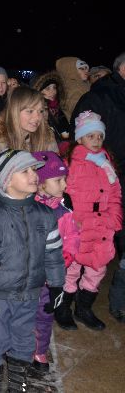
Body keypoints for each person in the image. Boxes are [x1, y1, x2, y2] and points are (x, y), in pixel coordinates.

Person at [0, 149, 65, 393]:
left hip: (30, 293)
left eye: (34, 169)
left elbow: (53, 254)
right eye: (25, 171)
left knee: (24, 338)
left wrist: (57, 285)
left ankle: (17, 377)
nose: (34, 175)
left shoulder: (45, 215)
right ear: (7, 179)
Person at [64, 111, 122, 330]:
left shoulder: (106, 163)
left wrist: (114, 219)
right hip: (80, 226)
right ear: (79, 139)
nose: (97, 140)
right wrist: (72, 222)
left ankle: (83, 309)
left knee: (97, 268)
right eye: (91, 136)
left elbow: (115, 193)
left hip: (102, 226)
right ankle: (63, 308)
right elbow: (66, 194)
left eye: (100, 136)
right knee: (72, 268)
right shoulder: (72, 162)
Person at [31, 151, 79, 373]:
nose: (65, 185)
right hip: (25, 276)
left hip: (50, 278)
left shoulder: (63, 211)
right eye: (59, 180)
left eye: (64, 179)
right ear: (41, 183)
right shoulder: (26, 208)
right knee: (21, 312)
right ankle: (17, 346)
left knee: (44, 314)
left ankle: (39, 350)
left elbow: (72, 239)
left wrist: (64, 258)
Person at [0, 87, 58, 171]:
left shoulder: (46, 135)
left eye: (41, 111)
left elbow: (57, 170)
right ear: (14, 111)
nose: (37, 117)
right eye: (30, 111)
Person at [31, 71, 71, 150]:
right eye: (47, 88)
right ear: (39, 91)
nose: (53, 92)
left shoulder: (58, 108)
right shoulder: (40, 112)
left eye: (54, 87)